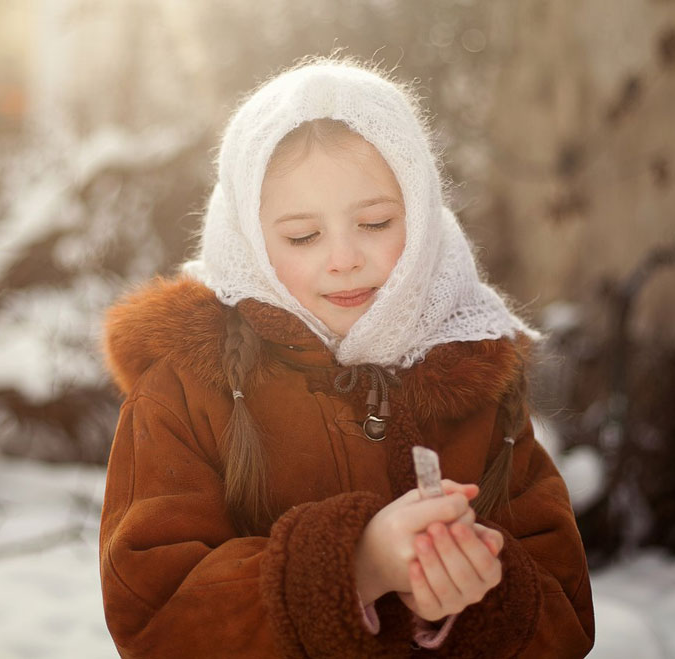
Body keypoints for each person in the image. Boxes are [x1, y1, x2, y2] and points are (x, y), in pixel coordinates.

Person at [99, 58, 594, 658]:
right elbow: (155, 615)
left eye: (375, 222)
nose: (343, 258)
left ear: (421, 212)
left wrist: (471, 595)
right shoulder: (186, 387)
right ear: (248, 240)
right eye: (303, 236)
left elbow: (564, 610)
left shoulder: (472, 375)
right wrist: (353, 567)